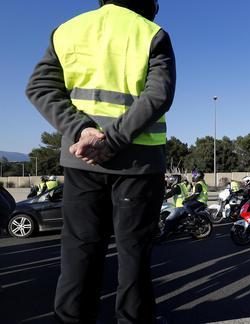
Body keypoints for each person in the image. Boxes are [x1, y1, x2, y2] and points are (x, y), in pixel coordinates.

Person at [25, 0, 176, 323]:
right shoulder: (152, 33)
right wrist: (114, 140)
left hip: (83, 162)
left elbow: (39, 86)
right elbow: (158, 96)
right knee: (133, 258)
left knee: (79, 255)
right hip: (139, 164)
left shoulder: (68, 30)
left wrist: (83, 130)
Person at [160, 170, 208, 239]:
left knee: (168, 219)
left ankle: (163, 236)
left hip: (180, 207)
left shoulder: (177, 187)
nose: (170, 182)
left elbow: (170, 193)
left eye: (171, 180)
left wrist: (162, 197)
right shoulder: (181, 185)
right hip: (183, 205)